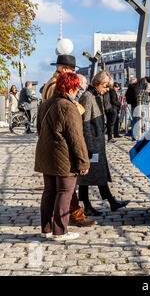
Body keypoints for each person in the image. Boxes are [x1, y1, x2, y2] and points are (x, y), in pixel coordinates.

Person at [34, 72, 90, 241]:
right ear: (72, 87)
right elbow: (76, 138)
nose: (78, 91)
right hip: (63, 157)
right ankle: (60, 231)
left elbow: (38, 129)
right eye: (77, 88)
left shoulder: (46, 104)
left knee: (49, 192)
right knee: (65, 192)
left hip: (45, 154)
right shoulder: (68, 106)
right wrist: (83, 161)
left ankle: (47, 228)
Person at [43, 54, 95, 228]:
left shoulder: (49, 84)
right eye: (72, 70)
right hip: (60, 147)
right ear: (65, 69)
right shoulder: (57, 90)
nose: (73, 73)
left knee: (55, 190)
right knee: (65, 190)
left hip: (49, 145)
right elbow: (67, 122)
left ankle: (50, 226)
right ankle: (66, 221)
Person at [78, 71, 129, 216]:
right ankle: (87, 204)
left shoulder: (95, 95)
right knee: (86, 175)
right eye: (105, 86)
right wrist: (89, 146)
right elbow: (85, 124)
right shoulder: (88, 97)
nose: (107, 90)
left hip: (97, 141)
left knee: (97, 172)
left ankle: (110, 200)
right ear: (97, 83)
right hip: (92, 142)